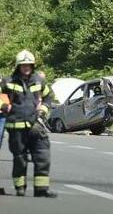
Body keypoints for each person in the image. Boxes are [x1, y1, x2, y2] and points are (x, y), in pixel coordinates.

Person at [0, 50, 57, 198]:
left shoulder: (38, 80)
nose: (26, 67)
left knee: (42, 155)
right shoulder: (8, 81)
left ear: (32, 65)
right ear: (18, 66)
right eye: (23, 65)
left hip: (35, 125)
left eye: (29, 65)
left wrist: (43, 111)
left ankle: (41, 189)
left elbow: (49, 96)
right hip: (16, 126)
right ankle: (20, 188)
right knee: (20, 159)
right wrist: (4, 106)